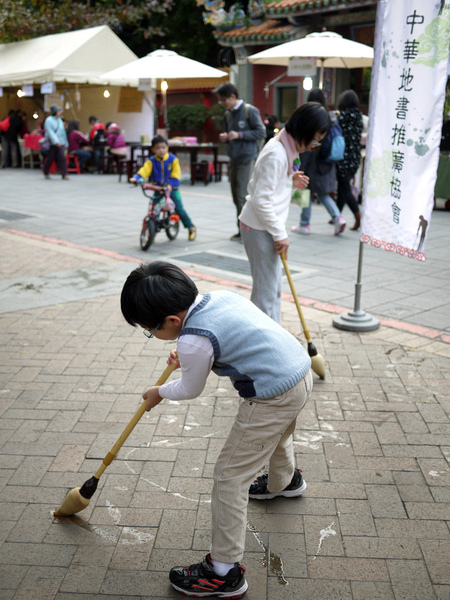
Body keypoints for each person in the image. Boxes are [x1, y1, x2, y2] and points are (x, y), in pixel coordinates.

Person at [120, 260, 313, 599]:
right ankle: (285, 482)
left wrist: (159, 392)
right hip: (298, 373)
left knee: (229, 477)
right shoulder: (219, 298)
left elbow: (189, 389)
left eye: (150, 330)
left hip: (271, 394)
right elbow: (232, 335)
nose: (153, 336)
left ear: (172, 321)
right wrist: (190, 352)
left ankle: (224, 572)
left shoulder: (193, 340)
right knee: (279, 433)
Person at [239, 102, 330, 323]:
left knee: (273, 289)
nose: (313, 145)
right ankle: (260, 346)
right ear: (303, 130)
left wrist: (289, 178)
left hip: (265, 227)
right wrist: (280, 234)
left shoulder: (284, 145)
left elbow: (269, 184)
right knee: (265, 294)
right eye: (314, 139)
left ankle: (274, 339)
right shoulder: (277, 153)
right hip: (260, 228)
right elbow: (261, 200)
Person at [214, 82, 266, 241]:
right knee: (236, 196)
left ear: (233, 97)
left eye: (224, 100)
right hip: (234, 158)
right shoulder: (228, 115)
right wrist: (226, 137)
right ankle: (242, 230)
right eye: (220, 101)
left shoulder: (249, 110)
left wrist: (239, 135)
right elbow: (230, 134)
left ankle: (247, 231)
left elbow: (260, 132)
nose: (222, 104)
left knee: (243, 196)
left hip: (246, 158)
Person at [291, 89, 346, 236]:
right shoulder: (331, 118)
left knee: (306, 191)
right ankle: (337, 218)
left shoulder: (312, 117)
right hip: (327, 163)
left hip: (312, 163)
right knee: (322, 193)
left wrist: (300, 165)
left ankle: (304, 224)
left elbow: (310, 144)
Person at [129, 135, 197, 241]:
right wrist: (136, 178)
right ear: (153, 149)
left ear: (167, 148)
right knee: (154, 210)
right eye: (157, 148)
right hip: (157, 189)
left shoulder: (173, 159)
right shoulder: (151, 161)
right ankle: (153, 230)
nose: (161, 150)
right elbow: (144, 171)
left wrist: (170, 184)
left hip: (172, 189)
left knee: (179, 209)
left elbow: (176, 175)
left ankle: (191, 227)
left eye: (163, 147)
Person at [336, 90, 364, 230]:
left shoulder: (342, 117)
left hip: (343, 156)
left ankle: (358, 216)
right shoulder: (359, 117)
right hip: (355, 156)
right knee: (343, 186)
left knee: (345, 188)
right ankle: (336, 215)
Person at [43, 104, 69, 180]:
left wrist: (65, 143)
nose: (60, 112)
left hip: (61, 143)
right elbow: (50, 132)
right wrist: (56, 141)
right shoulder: (48, 120)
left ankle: (64, 173)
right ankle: (46, 171)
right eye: (58, 111)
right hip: (52, 143)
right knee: (50, 158)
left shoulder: (59, 120)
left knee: (62, 157)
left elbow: (62, 132)